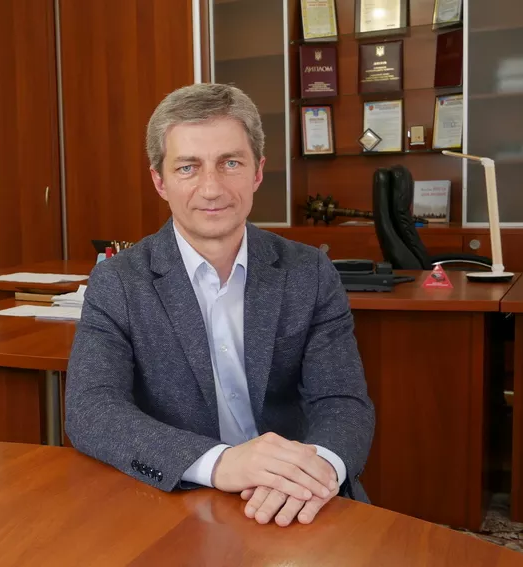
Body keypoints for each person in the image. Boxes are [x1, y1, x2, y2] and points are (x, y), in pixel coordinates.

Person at [64, 83, 375, 528]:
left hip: (297, 496)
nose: (211, 189)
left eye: (230, 163)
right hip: (180, 500)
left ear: (257, 172)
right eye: (188, 167)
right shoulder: (119, 281)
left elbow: (341, 399)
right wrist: (220, 463)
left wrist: (319, 469)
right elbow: (91, 410)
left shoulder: (309, 271)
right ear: (160, 181)